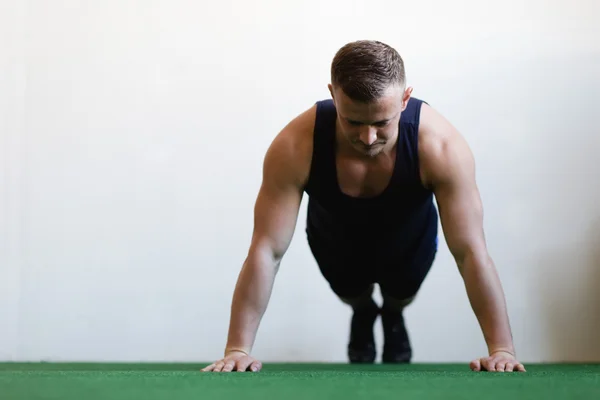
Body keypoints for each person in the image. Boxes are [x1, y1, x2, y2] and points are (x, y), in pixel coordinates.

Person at [202, 40, 526, 373]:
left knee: (401, 291)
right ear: (333, 95)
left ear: (405, 98)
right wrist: (237, 348)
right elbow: (267, 249)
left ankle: (393, 313)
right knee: (351, 290)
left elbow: (471, 251)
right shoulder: (295, 146)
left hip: (409, 237)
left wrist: (501, 348)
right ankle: (363, 311)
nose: (368, 138)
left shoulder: (441, 147)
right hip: (334, 236)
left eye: (382, 123)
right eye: (353, 122)